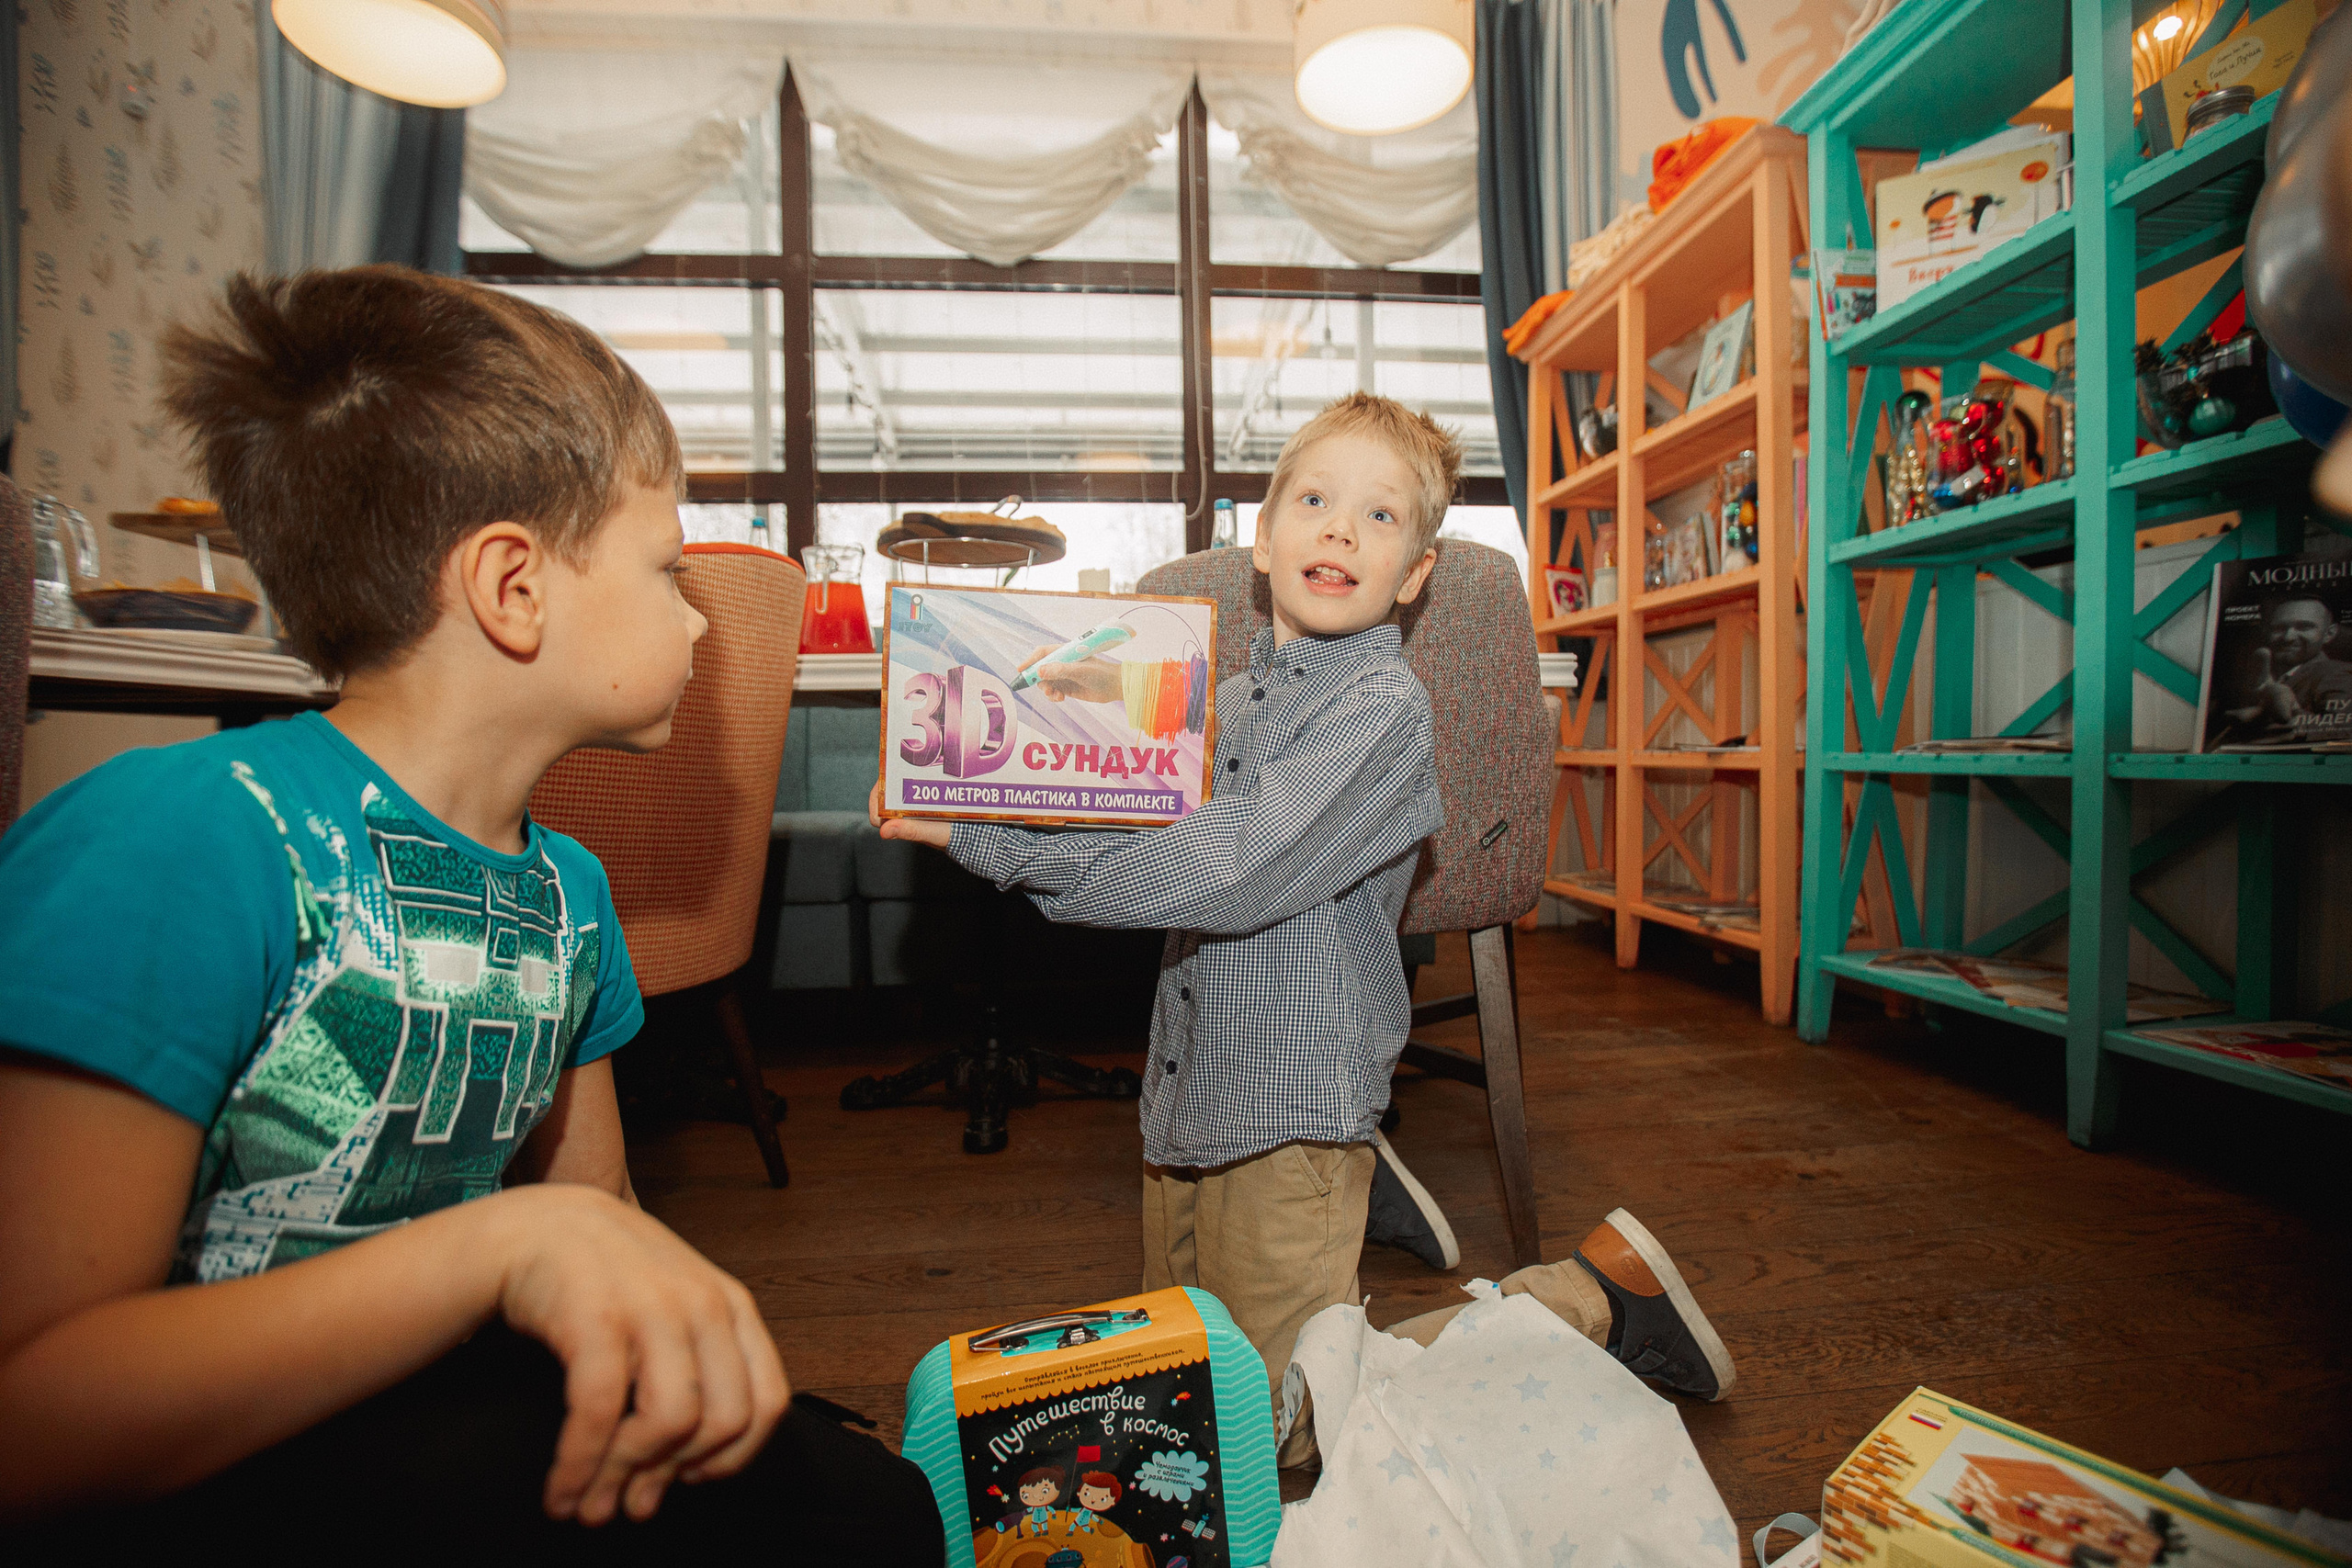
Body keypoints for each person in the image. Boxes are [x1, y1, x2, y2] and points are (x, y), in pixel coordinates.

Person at [0, 267, 943, 1559]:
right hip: (210, 1476)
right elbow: (34, 1416)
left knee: (881, 1507)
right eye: (670, 569)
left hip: (444, 1398)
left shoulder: (570, 893)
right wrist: (507, 1242)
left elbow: (591, 1213)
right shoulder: (182, 838)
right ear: (513, 587)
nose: (702, 627)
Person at [872, 394, 1734, 1466]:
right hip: (1191, 1092)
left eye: (1380, 518)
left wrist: (991, 848)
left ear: (1413, 575)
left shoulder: (1379, 712)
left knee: (1279, 1424)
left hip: (1290, 1096)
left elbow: (1224, 870)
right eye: (1316, 501)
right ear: (1264, 541)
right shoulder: (1224, 696)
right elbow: (1107, 791)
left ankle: (1590, 1301)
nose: (1339, 529)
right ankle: (1373, 1206)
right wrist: (970, 789)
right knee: (1187, 1375)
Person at [2213, 595, 2352, 747]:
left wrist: (2289, 722)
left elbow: (2345, 727)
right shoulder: (2260, 676)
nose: (2288, 637)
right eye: (2279, 628)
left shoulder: (2337, 673)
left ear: (2329, 634)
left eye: (2304, 627)